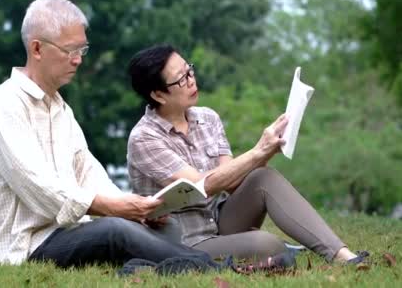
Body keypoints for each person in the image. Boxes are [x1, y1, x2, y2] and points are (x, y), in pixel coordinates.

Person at [0, 0, 216, 267]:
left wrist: (133, 207)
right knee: (114, 230)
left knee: (163, 228)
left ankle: (157, 268)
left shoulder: (60, 109)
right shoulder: (3, 105)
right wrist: (116, 209)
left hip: (68, 233)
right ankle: (214, 267)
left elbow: (87, 172)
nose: (78, 60)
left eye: (83, 49)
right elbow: (40, 187)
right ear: (37, 49)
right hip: (27, 248)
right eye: (70, 50)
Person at [126, 44, 368, 264]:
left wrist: (267, 150)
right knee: (268, 244)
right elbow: (199, 187)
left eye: (189, 70)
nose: (191, 80)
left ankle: (343, 256)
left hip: (222, 219)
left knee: (263, 177)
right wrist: (258, 150)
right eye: (181, 79)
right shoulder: (145, 138)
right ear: (158, 95)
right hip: (187, 242)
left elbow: (232, 182)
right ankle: (283, 248)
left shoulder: (207, 118)